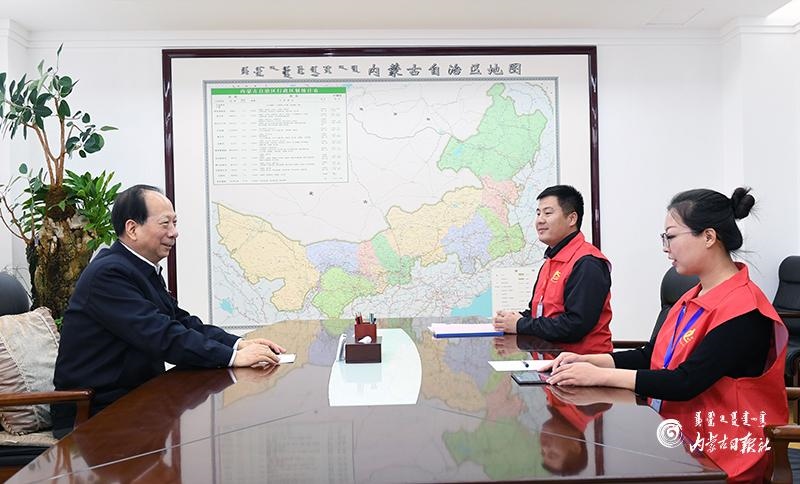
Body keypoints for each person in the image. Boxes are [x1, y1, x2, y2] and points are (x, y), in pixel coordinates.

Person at [546, 187, 788, 482]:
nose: (665, 247)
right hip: (678, 437)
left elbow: (686, 381)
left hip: (722, 454)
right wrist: (587, 360)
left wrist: (598, 376)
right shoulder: (692, 296)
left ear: (708, 237)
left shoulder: (744, 309)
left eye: (670, 237)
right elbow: (652, 355)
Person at [53, 185, 285, 422]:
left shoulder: (138, 268)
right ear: (132, 228)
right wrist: (232, 358)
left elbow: (181, 322)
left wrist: (238, 345)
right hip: (95, 412)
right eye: (165, 224)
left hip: (137, 400)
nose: (174, 233)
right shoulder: (108, 274)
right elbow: (160, 334)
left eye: (175, 223)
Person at [493, 185, 613, 353]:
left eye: (548, 213)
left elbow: (575, 325)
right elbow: (540, 314)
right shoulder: (551, 260)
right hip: (551, 359)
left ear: (572, 219)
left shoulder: (587, 263)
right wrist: (512, 319)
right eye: (538, 214)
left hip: (583, 363)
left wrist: (520, 325)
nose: (540, 220)